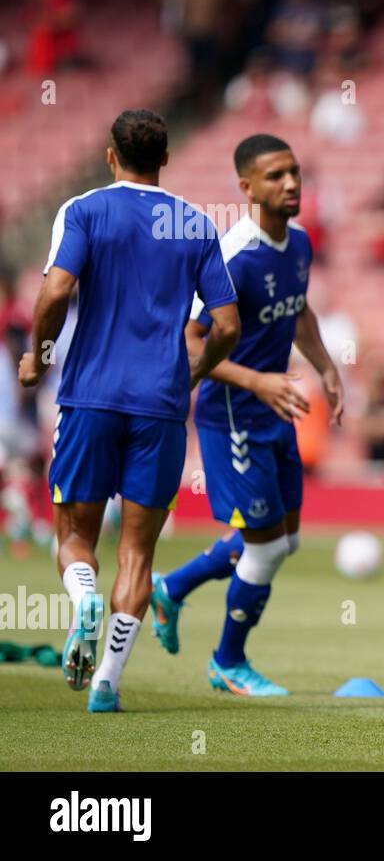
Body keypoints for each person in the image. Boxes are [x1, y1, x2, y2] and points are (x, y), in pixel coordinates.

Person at [18, 109, 240, 712]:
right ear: (164, 160)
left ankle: (83, 596)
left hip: (89, 397)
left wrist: (37, 358)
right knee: (138, 552)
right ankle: (108, 682)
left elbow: (57, 290)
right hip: (161, 407)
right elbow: (226, 324)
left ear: (110, 154)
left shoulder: (84, 209)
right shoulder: (195, 224)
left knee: (74, 535)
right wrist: (193, 369)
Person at [151, 134, 343, 696]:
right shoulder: (232, 254)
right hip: (231, 413)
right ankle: (227, 661)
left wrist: (328, 368)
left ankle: (173, 587)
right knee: (263, 545)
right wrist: (256, 379)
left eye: (295, 173)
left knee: (285, 541)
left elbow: (299, 309)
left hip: (274, 411)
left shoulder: (301, 243)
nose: (290, 184)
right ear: (247, 187)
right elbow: (189, 345)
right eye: (276, 176)